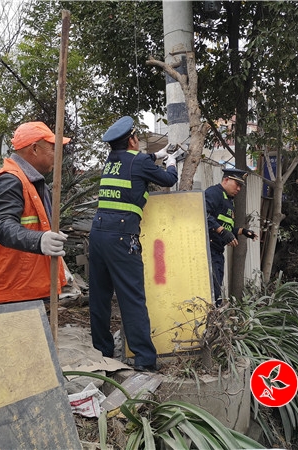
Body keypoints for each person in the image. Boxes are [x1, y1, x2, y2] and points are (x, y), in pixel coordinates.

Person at [88, 116, 179, 372]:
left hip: (97, 234)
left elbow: (135, 163)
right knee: (132, 298)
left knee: (99, 298)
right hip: (121, 237)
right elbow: (168, 180)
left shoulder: (111, 161)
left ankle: (102, 352)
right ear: (132, 140)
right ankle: (145, 360)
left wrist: (157, 154)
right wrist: (171, 161)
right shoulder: (138, 161)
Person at [0, 121, 70, 304]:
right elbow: (3, 226)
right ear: (34, 149)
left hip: (25, 287)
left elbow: (34, 224)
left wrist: (47, 237)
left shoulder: (30, 182)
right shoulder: (10, 181)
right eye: (53, 148)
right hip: (11, 290)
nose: (57, 155)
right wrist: (39, 240)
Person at [204, 168, 258, 306]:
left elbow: (226, 227)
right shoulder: (213, 193)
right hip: (208, 250)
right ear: (226, 180)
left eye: (241, 186)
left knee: (217, 289)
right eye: (237, 184)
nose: (239, 189)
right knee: (213, 290)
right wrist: (222, 231)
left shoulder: (229, 201)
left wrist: (242, 231)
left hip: (218, 252)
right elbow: (203, 214)